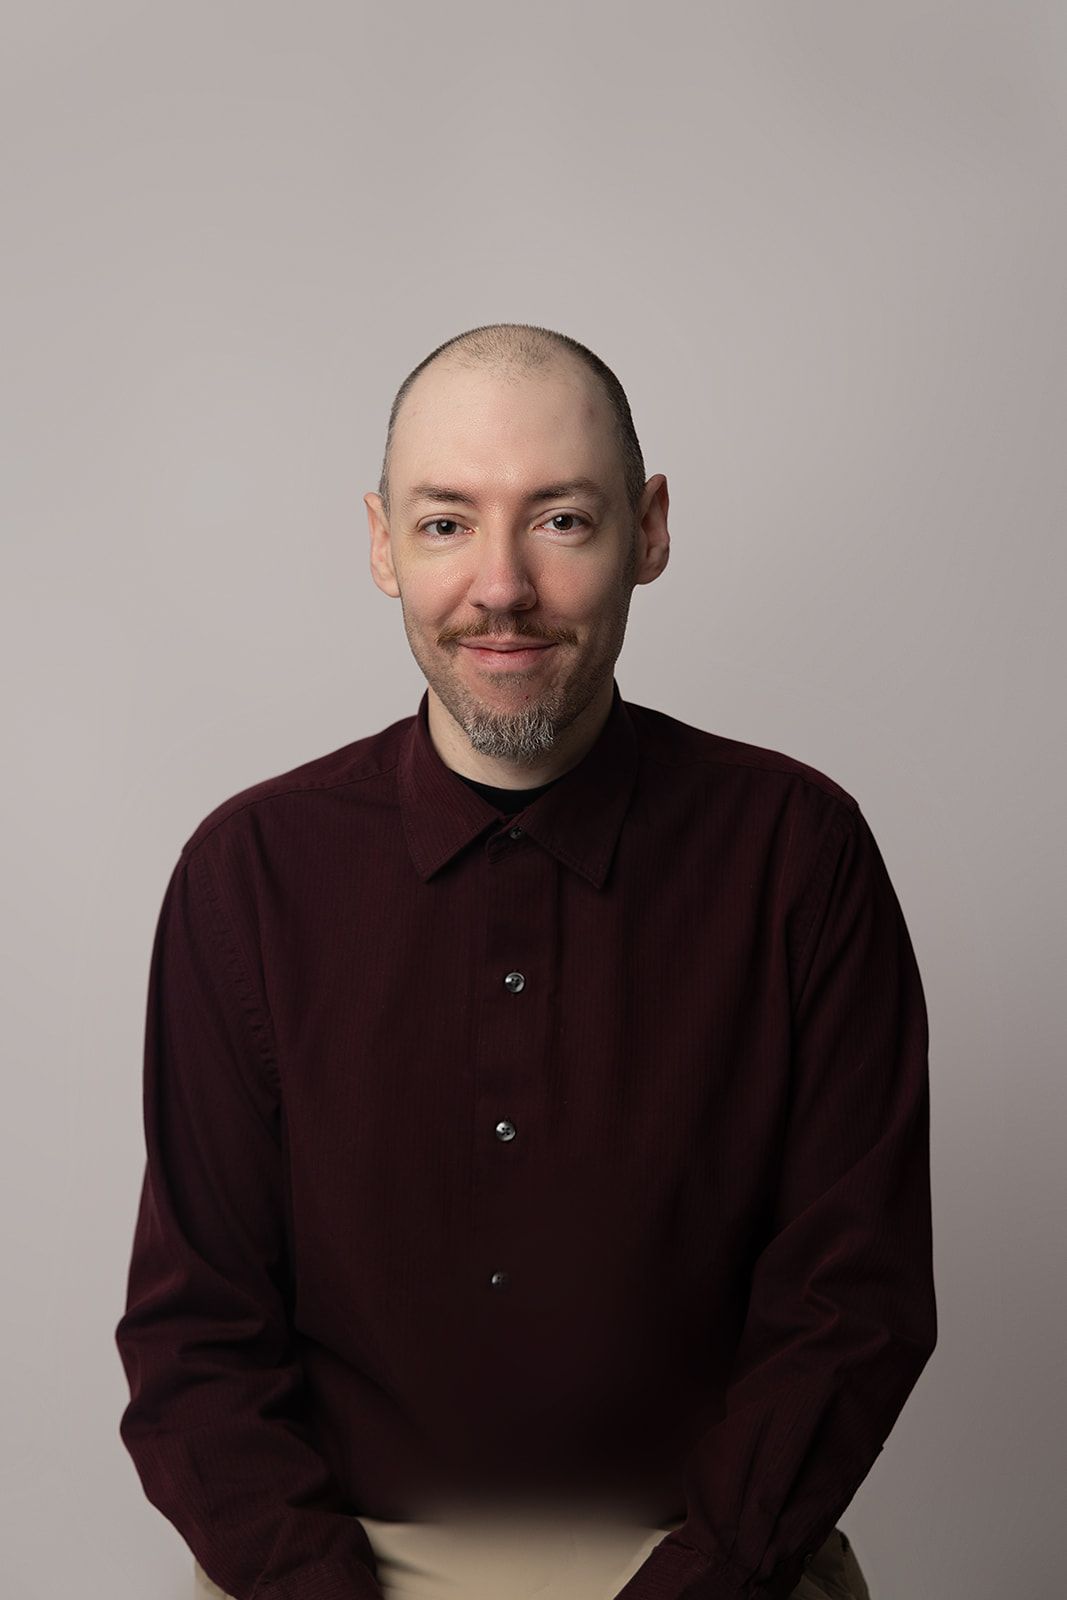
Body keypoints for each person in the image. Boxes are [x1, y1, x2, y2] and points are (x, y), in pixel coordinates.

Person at [115, 322, 935, 1600]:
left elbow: (853, 1305)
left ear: (647, 530)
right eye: (447, 524)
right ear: (383, 542)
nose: (500, 586)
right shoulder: (247, 872)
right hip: (332, 1566)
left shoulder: (799, 852)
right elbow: (196, 1339)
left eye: (558, 519)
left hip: (716, 1560)